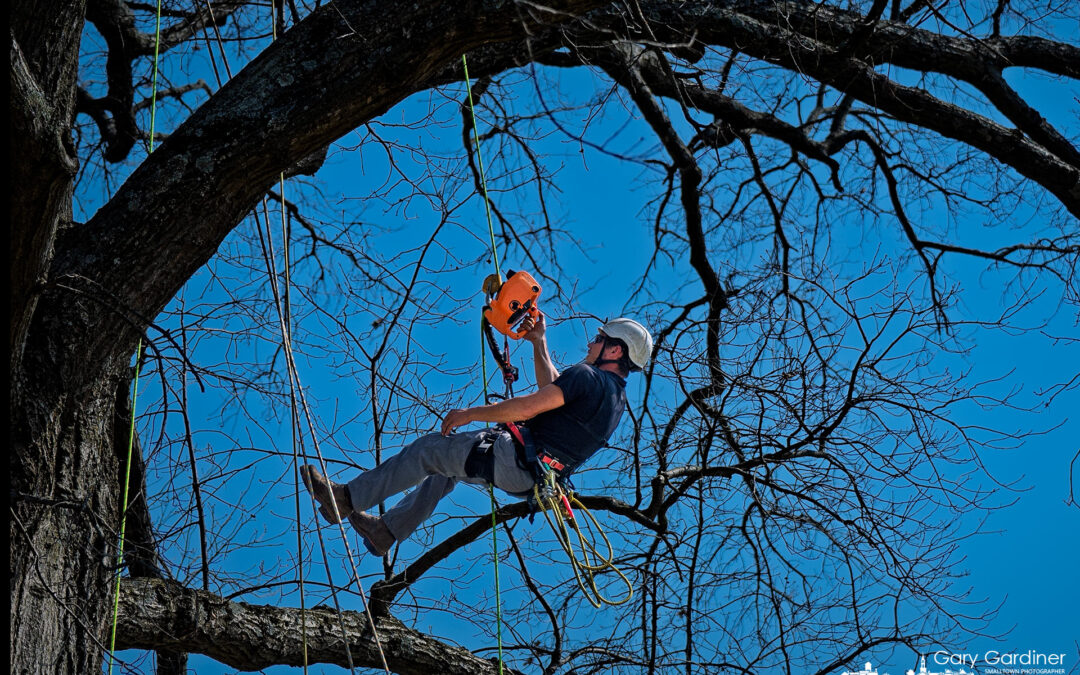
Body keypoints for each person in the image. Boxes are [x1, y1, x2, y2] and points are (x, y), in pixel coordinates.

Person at [301, 314, 653, 556]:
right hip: (529, 479)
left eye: (599, 339)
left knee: (430, 450)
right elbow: (555, 393)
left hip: (512, 458)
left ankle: (345, 499)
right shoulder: (613, 400)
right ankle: (386, 532)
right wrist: (538, 342)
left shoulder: (586, 376)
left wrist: (469, 414)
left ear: (615, 349)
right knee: (446, 467)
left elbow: (532, 407)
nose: (591, 344)